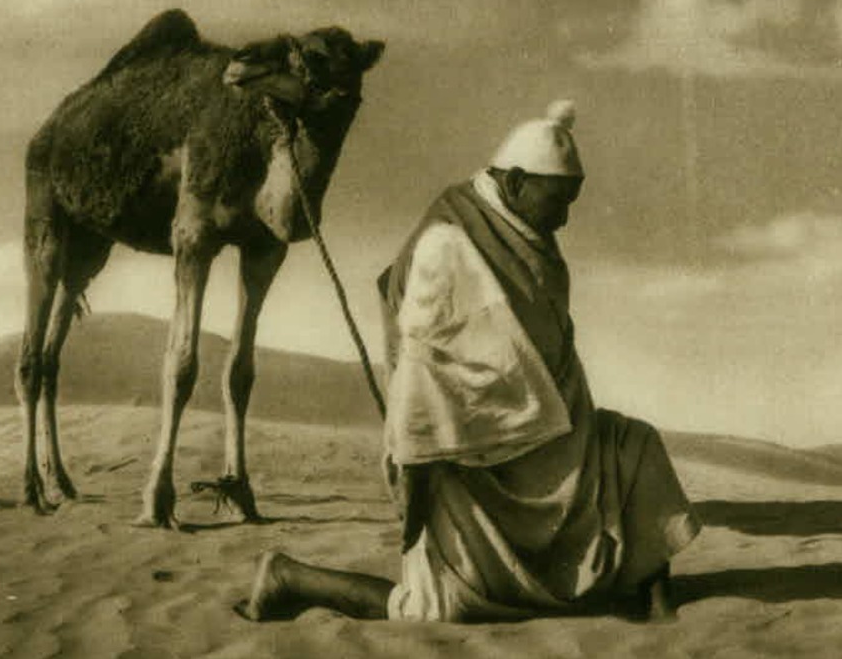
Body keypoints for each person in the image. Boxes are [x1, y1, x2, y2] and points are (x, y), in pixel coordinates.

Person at [238, 100, 700, 624]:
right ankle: (289, 577)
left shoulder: (521, 229)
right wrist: (414, 486)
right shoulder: (450, 244)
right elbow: (420, 378)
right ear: (518, 181)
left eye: (573, 201)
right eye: (559, 200)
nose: (566, 217)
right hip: (476, 465)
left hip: (565, 444)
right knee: (438, 609)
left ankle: (657, 602)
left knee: (637, 447)